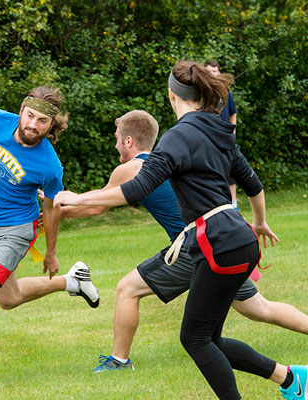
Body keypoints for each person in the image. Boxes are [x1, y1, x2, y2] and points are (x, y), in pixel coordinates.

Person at [53, 62, 307, 400]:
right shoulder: (219, 130)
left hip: (216, 243)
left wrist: (77, 197)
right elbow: (253, 184)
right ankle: (292, 380)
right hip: (237, 239)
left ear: (172, 95)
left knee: (195, 339)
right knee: (212, 337)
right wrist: (259, 222)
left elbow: (136, 188)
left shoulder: (177, 137)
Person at [0, 86, 100, 391]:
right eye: (30, 115)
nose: (33, 125)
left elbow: (51, 209)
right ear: (21, 110)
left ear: (52, 127)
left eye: (42, 122)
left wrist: (50, 252)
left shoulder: (49, 165)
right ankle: (72, 281)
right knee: (7, 298)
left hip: (16, 230)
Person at [205, 60, 239, 209]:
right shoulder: (203, 93)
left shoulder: (226, 91)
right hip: (209, 139)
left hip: (225, 138)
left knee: (231, 170)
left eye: (215, 71)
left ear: (219, 72)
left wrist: (233, 131)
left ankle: (234, 205)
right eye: (210, 71)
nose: (213, 74)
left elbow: (233, 113)